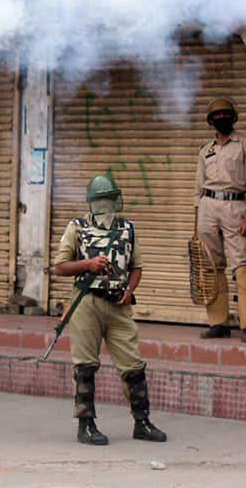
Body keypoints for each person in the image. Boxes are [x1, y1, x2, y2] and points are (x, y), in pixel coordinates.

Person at [53, 175, 166, 446]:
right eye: (99, 200)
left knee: (133, 365)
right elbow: (60, 267)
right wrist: (88, 264)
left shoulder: (127, 228)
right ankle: (86, 425)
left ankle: (142, 422)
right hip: (87, 303)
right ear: (91, 203)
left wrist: (130, 290)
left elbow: (136, 266)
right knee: (85, 365)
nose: (104, 205)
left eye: (108, 199)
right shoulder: (77, 227)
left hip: (119, 305)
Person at [194, 97, 246, 342]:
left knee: (242, 263)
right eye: (217, 116)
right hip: (207, 207)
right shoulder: (205, 150)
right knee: (211, 265)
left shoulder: (245, 145)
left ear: (233, 118)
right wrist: (196, 222)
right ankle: (218, 322)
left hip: (235, 206)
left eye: (225, 115)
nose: (221, 118)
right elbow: (197, 189)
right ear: (211, 121)